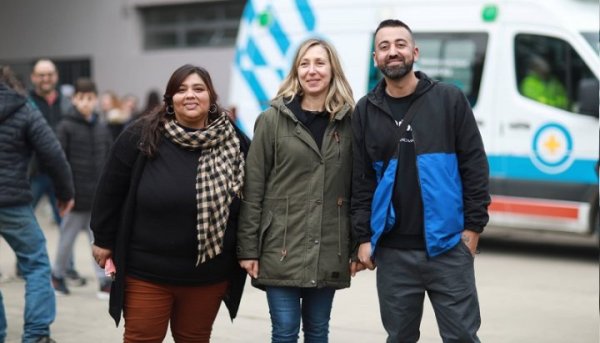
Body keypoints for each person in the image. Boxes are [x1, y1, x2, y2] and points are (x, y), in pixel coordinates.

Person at [351, 20, 490, 342]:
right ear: (375, 58)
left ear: (414, 52)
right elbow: (361, 181)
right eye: (384, 46)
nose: (393, 52)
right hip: (393, 252)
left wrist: (472, 229)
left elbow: (474, 167)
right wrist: (363, 237)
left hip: (448, 247)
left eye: (400, 44)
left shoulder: (449, 99)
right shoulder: (366, 110)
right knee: (399, 337)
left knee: (462, 337)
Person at [90, 64, 248, 342]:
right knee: (142, 338)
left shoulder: (235, 142)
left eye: (199, 89)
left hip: (208, 275)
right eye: (181, 89)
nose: (190, 95)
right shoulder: (141, 135)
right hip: (147, 272)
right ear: (169, 98)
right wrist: (103, 238)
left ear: (211, 97)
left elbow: (252, 199)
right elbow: (109, 188)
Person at [237, 38, 358, 342]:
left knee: (318, 332)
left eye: (320, 63)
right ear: (295, 72)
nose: (312, 70)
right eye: (305, 63)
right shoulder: (271, 121)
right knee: (285, 331)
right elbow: (253, 188)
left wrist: (357, 244)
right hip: (280, 246)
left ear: (333, 70)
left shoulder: (350, 123)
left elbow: (359, 189)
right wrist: (248, 248)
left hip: (330, 246)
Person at [0, 65, 74, 343]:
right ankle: (36, 335)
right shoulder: (24, 108)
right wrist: (66, 193)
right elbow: (53, 153)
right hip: (13, 201)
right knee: (36, 264)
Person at [51, 78, 114, 299]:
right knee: (66, 239)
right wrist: (64, 192)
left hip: (98, 198)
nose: (86, 102)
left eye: (90, 98)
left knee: (101, 241)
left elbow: (109, 161)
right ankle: (57, 276)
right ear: (74, 99)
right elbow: (59, 161)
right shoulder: (65, 126)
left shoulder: (101, 127)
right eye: (81, 98)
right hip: (74, 197)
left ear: (96, 100)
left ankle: (104, 280)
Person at [28, 59, 70, 227]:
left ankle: (64, 255)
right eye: (41, 75)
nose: (46, 78)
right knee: (23, 224)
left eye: (49, 74)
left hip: (60, 173)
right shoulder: (24, 102)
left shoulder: (67, 104)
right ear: (33, 77)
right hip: (33, 173)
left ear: (56, 76)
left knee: (66, 226)